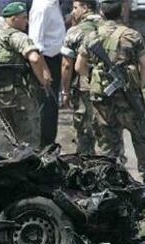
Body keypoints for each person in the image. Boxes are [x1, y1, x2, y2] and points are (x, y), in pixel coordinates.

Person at [75, 0, 145, 186]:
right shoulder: (132, 35)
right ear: (121, 12)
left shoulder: (92, 36)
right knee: (142, 137)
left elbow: (79, 66)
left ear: (101, 14)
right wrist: (138, 85)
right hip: (129, 98)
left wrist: (94, 78)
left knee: (107, 141)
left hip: (102, 99)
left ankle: (112, 182)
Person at [0, 2, 51, 149]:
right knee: (29, 140)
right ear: (13, 19)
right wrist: (43, 80)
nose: (27, 22)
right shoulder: (18, 36)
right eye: (24, 18)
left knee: (6, 139)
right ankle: (31, 169)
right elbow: (34, 58)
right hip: (20, 97)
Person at [61, 0, 100, 155]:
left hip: (85, 85)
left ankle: (87, 166)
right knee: (108, 130)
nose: (73, 12)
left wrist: (65, 91)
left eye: (75, 8)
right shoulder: (110, 26)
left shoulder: (75, 31)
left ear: (85, 8)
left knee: (84, 129)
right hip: (109, 85)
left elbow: (66, 65)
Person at [29, 0, 66, 148]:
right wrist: (43, 70)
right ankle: (44, 147)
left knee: (52, 106)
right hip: (46, 62)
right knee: (46, 107)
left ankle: (49, 144)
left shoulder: (54, 4)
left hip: (56, 59)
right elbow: (35, 43)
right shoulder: (42, 7)